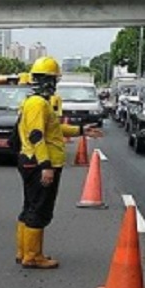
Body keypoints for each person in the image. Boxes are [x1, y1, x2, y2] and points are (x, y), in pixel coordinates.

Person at [15, 57, 103, 269]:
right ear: (47, 81)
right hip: (40, 163)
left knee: (30, 207)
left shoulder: (36, 102)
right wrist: (46, 166)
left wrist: (81, 130)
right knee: (39, 209)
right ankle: (33, 256)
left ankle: (24, 251)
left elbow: (52, 131)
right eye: (53, 80)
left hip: (31, 161)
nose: (54, 85)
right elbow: (37, 135)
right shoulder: (38, 104)